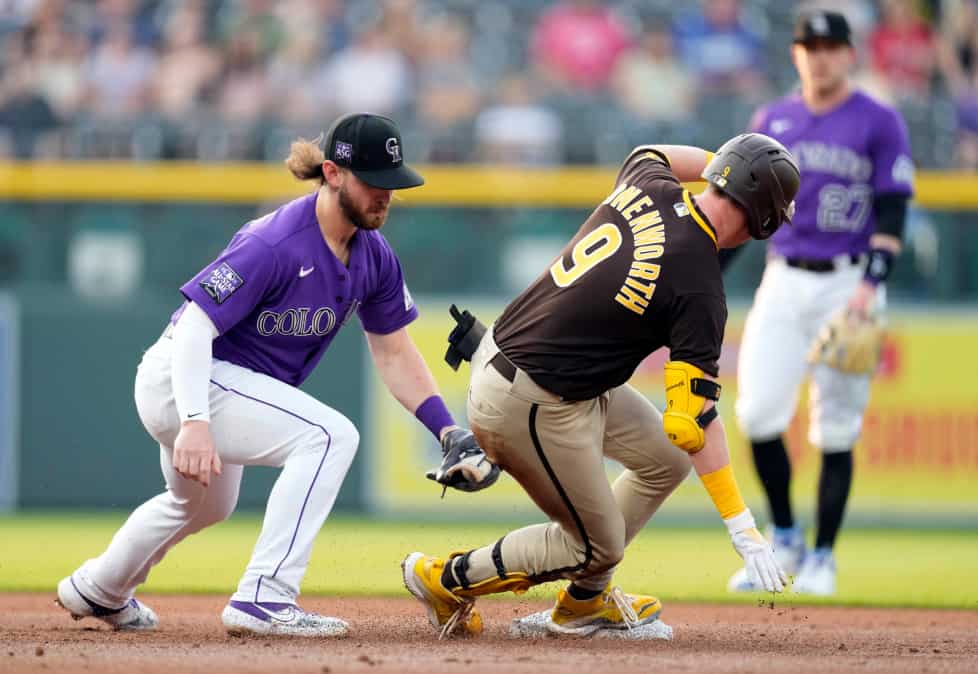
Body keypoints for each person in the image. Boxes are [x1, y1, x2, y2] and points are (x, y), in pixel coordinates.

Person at [55, 112, 497, 637]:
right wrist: (195, 421)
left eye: (392, 185)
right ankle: (265, 597)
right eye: (373, 182)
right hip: (186, 375)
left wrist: (446, 429)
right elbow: (196, 326)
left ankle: (97, 589)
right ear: (333, 173)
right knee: (331, 436)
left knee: (200, 506)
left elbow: (396, 353)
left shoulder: (374, 256)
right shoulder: (274, 240)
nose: (385, 196)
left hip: (224, 386)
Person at [402, 132, 799, 639]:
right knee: (597, 547)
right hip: (532, 399)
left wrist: (723, 163)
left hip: (532, 370)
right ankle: (446, 578)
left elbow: (652, 153)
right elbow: (694, 420)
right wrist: (741, 526)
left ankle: (583, 605)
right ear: (764, 220)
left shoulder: (651, 185)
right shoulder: (699, 286)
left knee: (665, 459)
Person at [727, 11, 914, 596]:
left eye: (832, 46)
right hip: (783, 276)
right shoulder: (774, 120)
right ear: (795, 54)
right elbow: (742, 210)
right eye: (811, 45)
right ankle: (784, 536)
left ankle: (823, 558)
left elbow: (893, 210)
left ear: (849, 54)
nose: (821, 55)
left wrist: (872, 283)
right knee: (756, 413)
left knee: (836, 427)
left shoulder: (879, 121)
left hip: (849, 281)